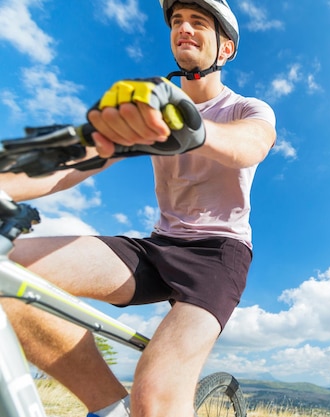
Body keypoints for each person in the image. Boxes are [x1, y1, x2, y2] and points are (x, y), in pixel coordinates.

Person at [0, 1, 276, 416]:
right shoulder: (150, 107)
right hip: (157, 244)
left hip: (219, 254)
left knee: (156, 397)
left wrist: (192, 127)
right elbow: (75, 163)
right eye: (177, 21)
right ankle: (108, 406)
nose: (184, 28)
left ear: (226, 50)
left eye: (198, 22)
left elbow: (249, 146)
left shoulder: (246, 108)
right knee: (10, 271)